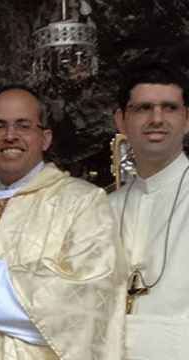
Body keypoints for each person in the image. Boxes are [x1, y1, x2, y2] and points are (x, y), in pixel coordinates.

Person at [0, 86, 125, 359]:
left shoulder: (83, 203)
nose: (10, 136)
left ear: (45, 138)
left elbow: (91, 297)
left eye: (23, 126)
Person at [110, 62, 189, 359]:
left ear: (187, 119)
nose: (156, 119)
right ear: (121, 121)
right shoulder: (104, 208)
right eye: (143, 108)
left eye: (169, 108)